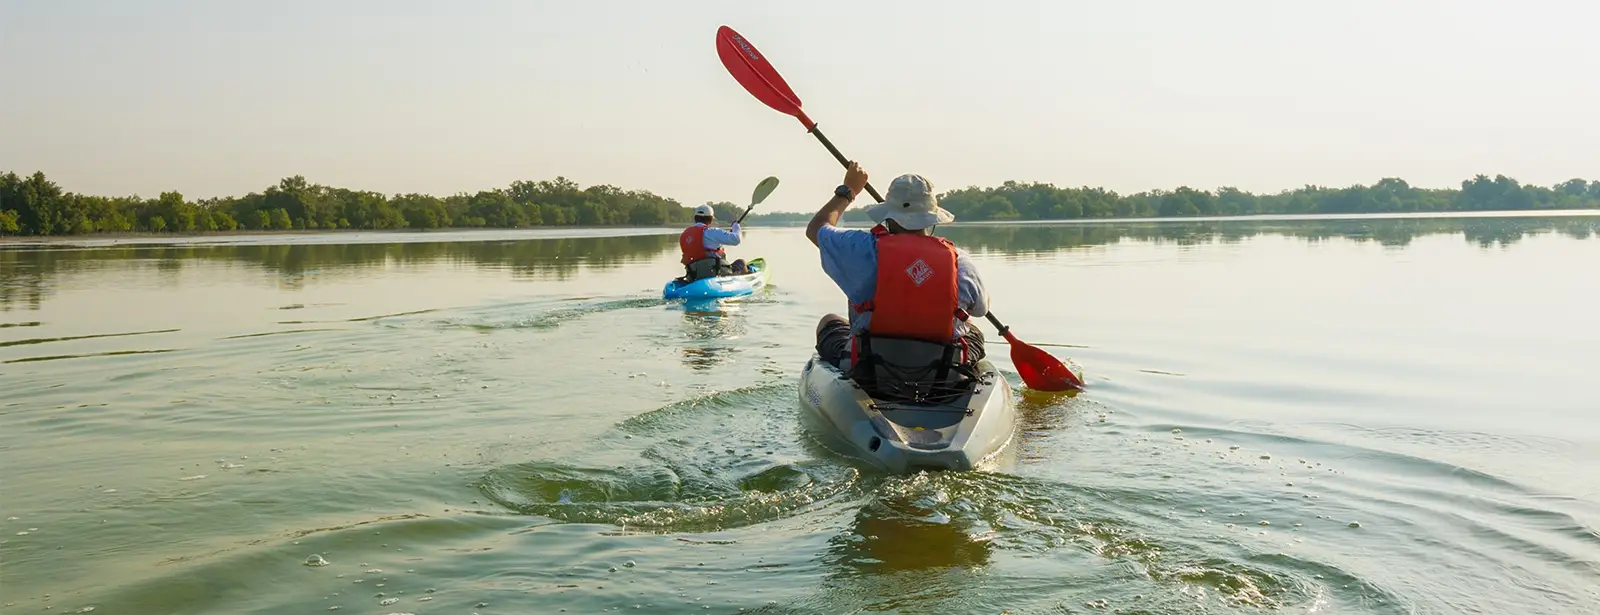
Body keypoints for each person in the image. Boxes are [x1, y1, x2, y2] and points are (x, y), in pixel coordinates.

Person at [806, 162, 989, 395]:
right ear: (931, 220)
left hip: (870, 367)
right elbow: (980, 309)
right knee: (972, 330)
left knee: (830, 321)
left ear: (888, 217)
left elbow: (817, 228)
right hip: (941, 371)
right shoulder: (959, 260)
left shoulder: (861, 249)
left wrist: (848, 190)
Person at [679, 204, 747, 280]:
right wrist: (736, 226)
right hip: (715, 272)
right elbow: (736, 239)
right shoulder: (712, 232)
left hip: (694, 274)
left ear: (695, 218)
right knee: (741, 262)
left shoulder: (685, 235)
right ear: (710, 219)